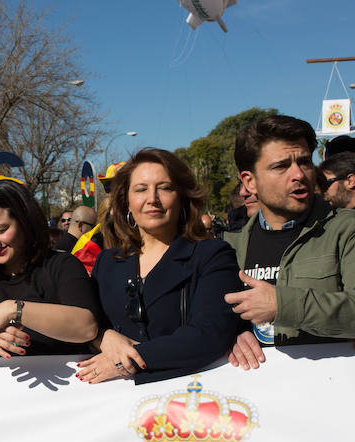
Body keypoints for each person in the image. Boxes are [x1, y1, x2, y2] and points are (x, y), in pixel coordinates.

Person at [223, 115, 355, 368]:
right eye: (281, 166)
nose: (299, 174)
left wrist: (283, 304)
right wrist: (231, 334)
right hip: (259, 398)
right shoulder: (229, 247)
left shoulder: (354, 230)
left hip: (335, 392)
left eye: (304, 161)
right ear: (249, 181)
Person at [75, 148, 241, 384]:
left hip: (186, 398)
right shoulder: (107, 262)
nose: (152, 198)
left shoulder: (212, 255)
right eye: (141, 189)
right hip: (111, 405)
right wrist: (103, 336)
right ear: (126, 202)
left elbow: (209, 334)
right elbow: (87, 323)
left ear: (182, 197)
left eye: (165, 188)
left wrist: (128, 360)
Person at [0, 180, 100, 361]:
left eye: (0, 230)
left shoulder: (62, 265)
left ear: (25, 222)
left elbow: (86, 326)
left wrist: (13, 310)